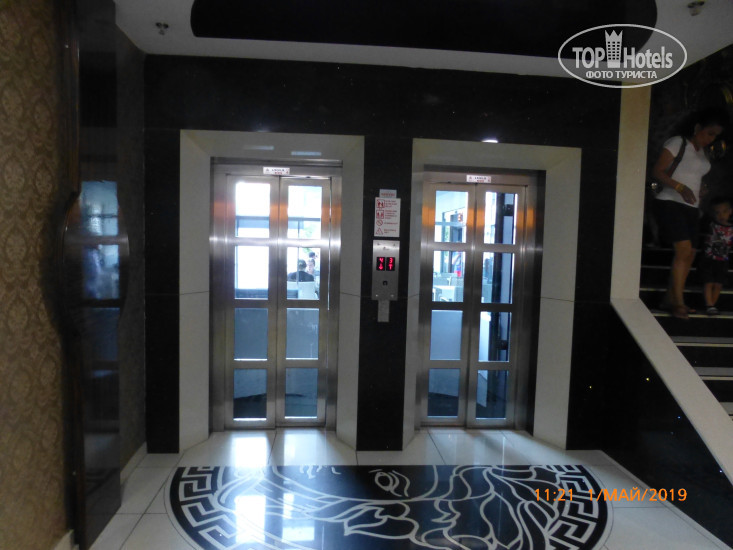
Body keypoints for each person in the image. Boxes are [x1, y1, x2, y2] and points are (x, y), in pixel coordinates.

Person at [653, 108, 727, 319]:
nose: (711, 139)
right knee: (684, 250)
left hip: (692, 207)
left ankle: (669, 299)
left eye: (715, 136)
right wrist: (680, 187)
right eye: (709, 133)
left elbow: (693, 175)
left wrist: (699, 190)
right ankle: (679, 302)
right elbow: (657, 171)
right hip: (670, 201)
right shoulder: (678, 143)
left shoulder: (702, 152)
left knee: (691, 253)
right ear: (697, 127)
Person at [699, 197, 733, 315]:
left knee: (719, 283)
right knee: (708, 282)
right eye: (717, 212)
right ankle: (709, 304)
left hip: (723, 260)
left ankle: (712, 305)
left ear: (730, 211)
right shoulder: (711, 225)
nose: (721, 215)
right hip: (709, 259)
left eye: (724, 211)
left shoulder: (731, 228)